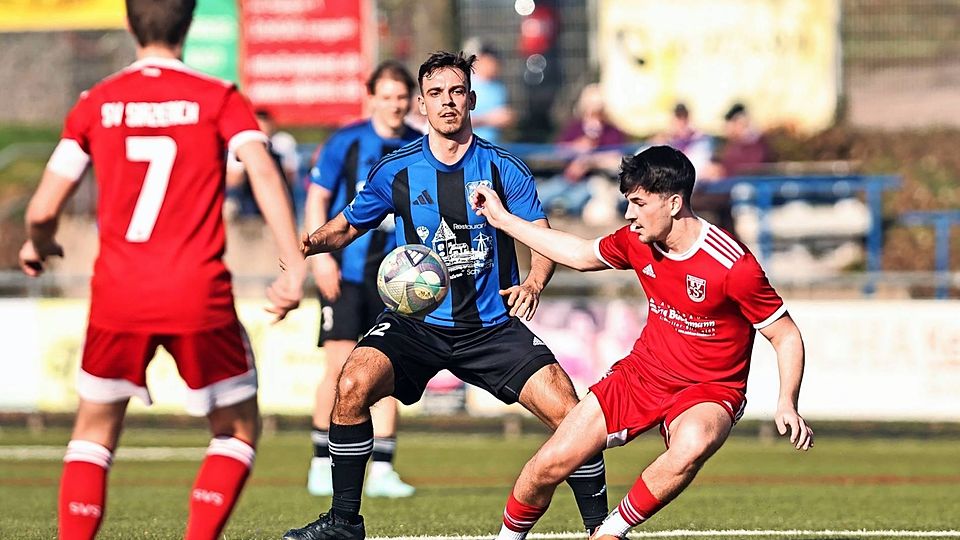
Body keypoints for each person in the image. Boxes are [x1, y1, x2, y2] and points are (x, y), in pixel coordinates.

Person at [282, 50, 608, 540]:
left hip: (491, 326)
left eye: (457, 92)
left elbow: (542, 238)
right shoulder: (397, 170)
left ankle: (600, 529)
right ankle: (345, 523)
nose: (448, 102)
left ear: (472, 99)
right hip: (416, 325)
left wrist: (535, 281)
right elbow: (347, 225)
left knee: (574, 414)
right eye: (436, 94)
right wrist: (307, 244)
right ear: (422, 103)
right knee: (350, 385)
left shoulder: (503, 167)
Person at [16, 1, 305, 538]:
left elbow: (40, 210)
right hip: (197, 290)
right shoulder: (219, 98)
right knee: (236, 429)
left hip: (118, 294)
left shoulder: (96, 102)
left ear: (129, 23)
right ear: (188, 24)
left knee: (94, 432)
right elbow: (261, 168)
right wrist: (291, 265)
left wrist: (39, 244)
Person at [469, 145, 814, 540]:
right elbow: (580, 254)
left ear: (673, 203)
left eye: (637, 203)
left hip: (710, 389)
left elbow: (785, 334)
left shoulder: (732, 265)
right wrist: (503, 219)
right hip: (642, 376)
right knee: (546, 466)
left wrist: (787, 401)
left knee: (694, 441)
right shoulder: (638, 239)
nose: (629, 214)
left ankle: (610, 532)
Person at [303, 60, 422, 499]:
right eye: (387, 97)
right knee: (338, 367)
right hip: (347, 274)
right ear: (371, 97)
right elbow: (317, 198)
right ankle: (321, 459)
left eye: (401, 97)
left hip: (400, 279)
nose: (395, 106)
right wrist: (320, 257)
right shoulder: (346, 141)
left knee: (388, 370)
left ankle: (384, 468)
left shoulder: (420, 145)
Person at [538, 83, 627, 216]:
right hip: (567, 178)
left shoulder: (612, 132)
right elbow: (558, 152)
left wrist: (589, 161)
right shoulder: (574, 127)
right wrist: (575, 148)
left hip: (594, 181)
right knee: (541, 194)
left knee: (575, 201)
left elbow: (617, 160)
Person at [225, 108, 300, 219]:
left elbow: (291, 176)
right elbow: (233, 181)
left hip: (278, 209)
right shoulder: (240, 145)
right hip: (249, 212)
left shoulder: (283, 143)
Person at [468, 41, 515, 144]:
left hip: (494, 146)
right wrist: (488, 119)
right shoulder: (467, 85)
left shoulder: (499, 88)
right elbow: (459, 120)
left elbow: (506, 115)